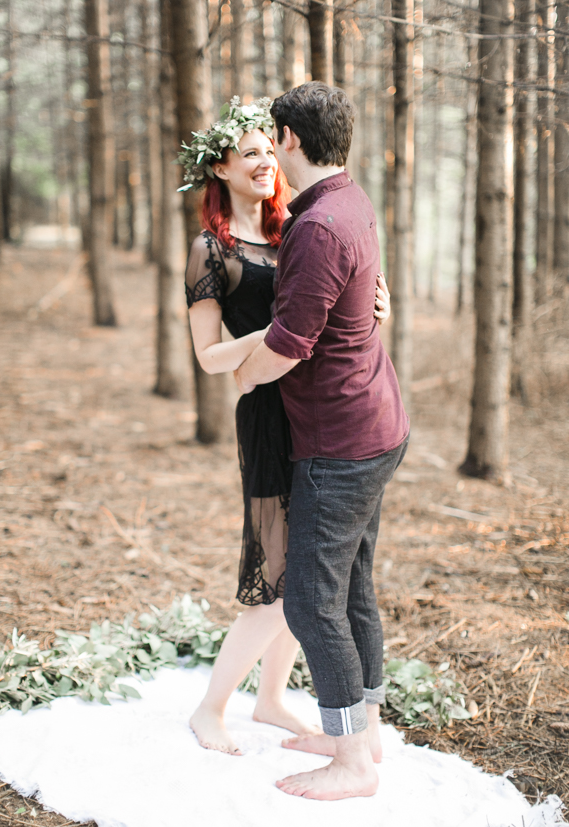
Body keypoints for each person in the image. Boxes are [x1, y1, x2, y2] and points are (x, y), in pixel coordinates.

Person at [178, 97, 391, 757]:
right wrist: (271, 341)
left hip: (316, 409)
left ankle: (270, 698)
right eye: (250, 155)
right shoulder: (210, 249)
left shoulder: (295, 223)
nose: (267, 162)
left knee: (307, 569)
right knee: (277, 581)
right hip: (266, 413)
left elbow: (338, 292)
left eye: (271, 150)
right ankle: (210, 708)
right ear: (220, 167)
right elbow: (209, 357)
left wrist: (378, 304)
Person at [234, 82, 410, 800]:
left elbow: (290, 343)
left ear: (292, 140)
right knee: (352, 585)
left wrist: (241, 371)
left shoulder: (318, 226)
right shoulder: (350, 203)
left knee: (310, 599)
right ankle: (358, 729)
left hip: (341, 441)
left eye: (275, 139)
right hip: (374, 424)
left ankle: (351, 765)